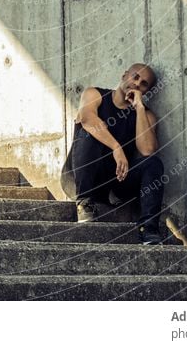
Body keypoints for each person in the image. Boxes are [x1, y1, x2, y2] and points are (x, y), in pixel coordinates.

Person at [61, 63, 164, 245]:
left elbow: (147, 150)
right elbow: (87, 118)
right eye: (135, 77)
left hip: (113, 184)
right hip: (79, 177)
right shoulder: (95, 94)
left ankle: (149, 229)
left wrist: (139, 108)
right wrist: (117, 147)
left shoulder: (147, 115)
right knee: (89, 129)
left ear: (147, 91)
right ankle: (84, 202)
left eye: (144, 84)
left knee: (154, 163)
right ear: (124, 75)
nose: (137, 84)